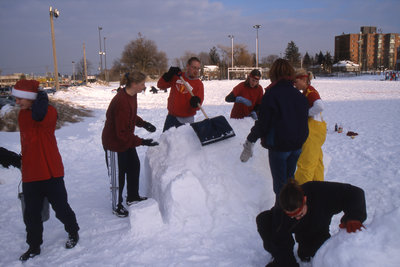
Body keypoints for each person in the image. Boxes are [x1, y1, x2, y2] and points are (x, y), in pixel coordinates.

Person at [12, 79, 80, 261]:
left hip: (51, 172)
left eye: (20, 98)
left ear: (31, 97)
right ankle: (34, 246)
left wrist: (41, 100)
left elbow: (44, 120)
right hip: (31, 174)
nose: (17, 102)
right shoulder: (22, 114)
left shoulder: (49, 112)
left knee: (61, 208)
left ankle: (73, 231)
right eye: (16, 99)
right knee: (31, 215)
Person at [240, 59, 309, 204]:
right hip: (296, 146)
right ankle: (292, 209)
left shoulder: (271, 95)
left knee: (280, 188)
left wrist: (250, 140)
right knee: (290, 183)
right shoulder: (299, 95)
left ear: (273, 74)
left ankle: (281, 214)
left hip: (280, 148)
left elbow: (263, 123)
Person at [256, 179, 367, 266]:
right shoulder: (280, 212)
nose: (297, 218)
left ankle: (309, 247)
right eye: (292, 216)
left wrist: (354, 216)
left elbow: (355, 193)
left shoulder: (321, 192)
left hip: (316, 226)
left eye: (299, 214)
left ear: (304, 200)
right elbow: (281, 242)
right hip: (293, 226)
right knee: (264, 220)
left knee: (312, 254)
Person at [102, 71, 158, 218]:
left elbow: (131, 115)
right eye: (142, 84)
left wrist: (143, 124)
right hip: (114, 143)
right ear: (134, 84)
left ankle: (132, 197)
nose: (144, 86)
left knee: (134, 166)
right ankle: (116, 205)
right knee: (118, 176)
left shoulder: (132, 95)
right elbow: (121, 133)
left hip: (126, 140)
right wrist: (142, 141)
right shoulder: (121, 101)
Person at [293, 69, 327, 185]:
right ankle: (318, 188)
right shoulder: (306, 92)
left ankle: (301, 192)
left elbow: (320, 106)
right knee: (317, 163)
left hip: (313, 132)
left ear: (303, 80)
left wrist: (305, 113)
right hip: (318, 131)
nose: (294, 84)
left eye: (295, 81)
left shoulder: (310, 91)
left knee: (306, 164)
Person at [157, 57, 204, 132]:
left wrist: (195, 104)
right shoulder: (177, 76)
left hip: (187, 120)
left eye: (198, 69)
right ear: (188, 66)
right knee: (166, 142)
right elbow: (160, 85)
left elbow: (199, 106)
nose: (196, 71)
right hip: (172, 117)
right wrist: (168, 75)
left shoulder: (199, 84)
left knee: (184, 143)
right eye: (194, 67)